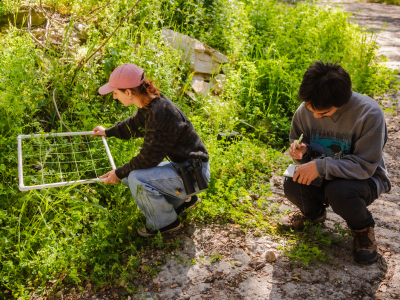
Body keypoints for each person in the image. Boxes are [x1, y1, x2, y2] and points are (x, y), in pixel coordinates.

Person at [278, 61, 391, 265]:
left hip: (363, 178)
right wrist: (303, 152)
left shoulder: (369, 114)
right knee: (292, 183)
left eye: (322, 113)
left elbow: (365, 165)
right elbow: (300, 144)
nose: (314, 116)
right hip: (323, 174)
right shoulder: (307, 108)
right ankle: (313, 214)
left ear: (342, 102)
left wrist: (321, 166)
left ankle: (362, 229)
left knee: (340, 191)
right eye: (310, 109)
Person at [91, 63, 210, 237]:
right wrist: (107, 132)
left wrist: (118, 172)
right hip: (185, 168)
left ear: (128, 92)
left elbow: (148, 159)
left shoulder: (159, 113)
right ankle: (184, 199)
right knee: (128, 178)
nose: (114, 97)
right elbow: (133, 125)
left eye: (115, 93)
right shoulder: (149, 104)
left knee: (135, 178)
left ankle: (165, 224)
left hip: (194, 174)